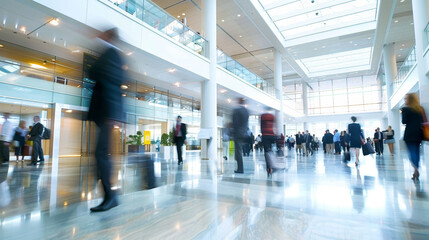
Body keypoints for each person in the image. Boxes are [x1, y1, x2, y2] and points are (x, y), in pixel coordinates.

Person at [87, 28, 125, 212]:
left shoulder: (111, 54)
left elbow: (94, 73)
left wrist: (111, 115)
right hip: (106, 113)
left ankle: (110, 197)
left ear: (107, 36)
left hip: (107, 113)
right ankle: (110, 197)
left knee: (101, 154)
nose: (98, 36)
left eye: (102, 34)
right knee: (101, 154)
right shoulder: (111, 54)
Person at [401, 93, 424, 181]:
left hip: (409, 134)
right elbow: (422, 121)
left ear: (409, 100)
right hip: (418, 133)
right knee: (417, 152)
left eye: (406, 99)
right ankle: (415, 171)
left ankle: (416, 170)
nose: (404, 100)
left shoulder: (405, 109)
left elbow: (404, 121)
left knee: (411, 152)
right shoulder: (419, 109)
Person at [232, 98, 249, 173]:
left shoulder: (237, 111)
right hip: (244, 133)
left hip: (238, 133)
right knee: (239, 151)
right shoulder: (246, 111)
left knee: (238, 151)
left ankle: (240, 169)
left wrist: (233, 132)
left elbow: (235, 123)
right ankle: (240, 168)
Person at [261, 109, 276, 176]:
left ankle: (269, 167)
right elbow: (274, 126)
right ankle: (271, 165)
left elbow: (261, 126)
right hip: (272, 136)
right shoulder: (272, 116)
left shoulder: (263, 116)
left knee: (266, 152)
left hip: (265, 136)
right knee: (269, 150)